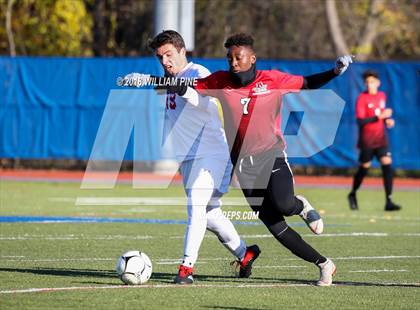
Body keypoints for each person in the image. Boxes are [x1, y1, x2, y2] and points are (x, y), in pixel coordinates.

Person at [145, 33, 354, 286]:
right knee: (277, 228)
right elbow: (186, 88)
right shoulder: (220, 81)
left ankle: (301, 206)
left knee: (285, 204)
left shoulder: (272, 79)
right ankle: (324, 264)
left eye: (238, 57)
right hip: (243, 166)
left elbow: (307, 83)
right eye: (229, 58)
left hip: (271, 155)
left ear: (252, 58)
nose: (233, 62)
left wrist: (334, 71)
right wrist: (149, 80)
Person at [136, 30, 260, 285]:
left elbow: (203, 103)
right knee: (210, 212)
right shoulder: (170, 77)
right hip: (189, 156)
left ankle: (186, 269)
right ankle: (245, 253)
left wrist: (174, 87)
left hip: (211, 153)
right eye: (160, 58)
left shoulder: (199, 73)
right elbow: (165, 88)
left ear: (183, 51)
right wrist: (142, 80)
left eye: (169, 55)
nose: (165, 62)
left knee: (195, 206)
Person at [348, 70, 401, 211]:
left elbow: (382, 116)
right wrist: (379, 117)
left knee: (387, 165)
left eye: (372, 81)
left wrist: (388, 120)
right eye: (367, 82)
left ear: (378, 83)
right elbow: (360, 121)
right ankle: (352, 194)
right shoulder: (362, 98)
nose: (369, 84)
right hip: (367, 140)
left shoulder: (382, 96)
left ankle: (389, 201)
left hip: (381, 139)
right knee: (364, 169)